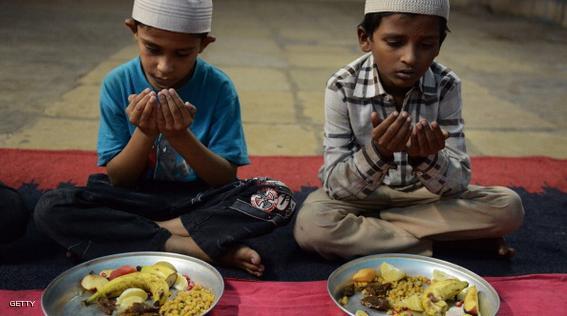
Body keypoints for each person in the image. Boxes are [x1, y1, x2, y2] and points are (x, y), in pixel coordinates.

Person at [34, 0, 295, 277]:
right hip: (135, 197)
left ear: (203, 45)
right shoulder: (117, 83)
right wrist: (145, 133)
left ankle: (131, 233)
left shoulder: (219, 87)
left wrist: (180, 137)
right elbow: (120, 179)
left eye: (182, 54)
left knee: (278, 197)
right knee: (52, 207)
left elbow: (224, 178)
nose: (164, 67)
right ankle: (198, 249)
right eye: (152, 49)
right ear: (133, 30)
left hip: (198, 199)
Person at [293, 0, 524, 260]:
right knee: (313, 226)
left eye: (426, 45)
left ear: (439, 46)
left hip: (424, 196)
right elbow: (336, 185)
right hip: (364, 196)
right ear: (365, 38)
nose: (410, 58)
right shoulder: (342, 86)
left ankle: (379, 230)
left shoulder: (446, 85)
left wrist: (424, 159)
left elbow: (458, 181)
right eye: (394, 43)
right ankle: (448, 243)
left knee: (509, 207)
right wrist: (379, 153)